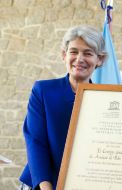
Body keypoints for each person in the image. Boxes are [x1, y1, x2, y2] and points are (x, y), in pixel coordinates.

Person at [19, 25, 107, 190]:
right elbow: (35, 142)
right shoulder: (43, 91)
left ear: (99, 59)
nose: (79, 59)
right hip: (43, 183)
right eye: (73, 51)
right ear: (64, 55)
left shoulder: (105, 100)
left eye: (88, 53)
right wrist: (46, 187)